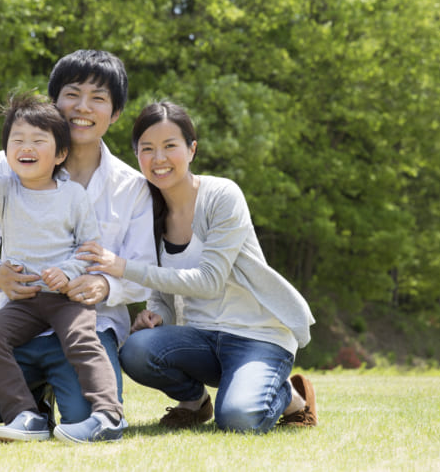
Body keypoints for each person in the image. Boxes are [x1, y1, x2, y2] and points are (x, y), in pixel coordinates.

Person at [0, 49, 155, 443]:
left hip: (89, 323)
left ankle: (83, 405)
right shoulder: (9, 164)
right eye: (72, 94)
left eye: (98, 98)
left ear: (116, 113)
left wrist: (105, 285)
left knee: (84, 415)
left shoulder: (131, 187)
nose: (82, 107)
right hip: (20, 320)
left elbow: (144, 267)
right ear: (54, 101)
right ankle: (30, 405)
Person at [78, 101, 318, 433]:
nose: (159, 158)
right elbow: (162, 290)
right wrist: (157, 315)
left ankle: (290, 395)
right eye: (147, 149)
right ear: (137, 155)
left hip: (257, 336)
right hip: (201, 338)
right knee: (135, 350)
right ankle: (194, 402)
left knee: (238, 419)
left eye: (170, 146)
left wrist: (122, 267)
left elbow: (209, 281)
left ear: (191, 149)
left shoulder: (221, 195)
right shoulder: (148, 209)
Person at [0, 92, 124, 443]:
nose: (26, 147)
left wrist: (68, 271)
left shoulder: (73, 195)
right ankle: (25, 415)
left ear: (60, 153)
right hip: (25, 301)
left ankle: (109, 415)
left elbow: (89, 249)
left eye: (37, 140)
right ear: (7, 151)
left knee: (82, 340)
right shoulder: (4, 191)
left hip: (66, 298)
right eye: (17, 140)